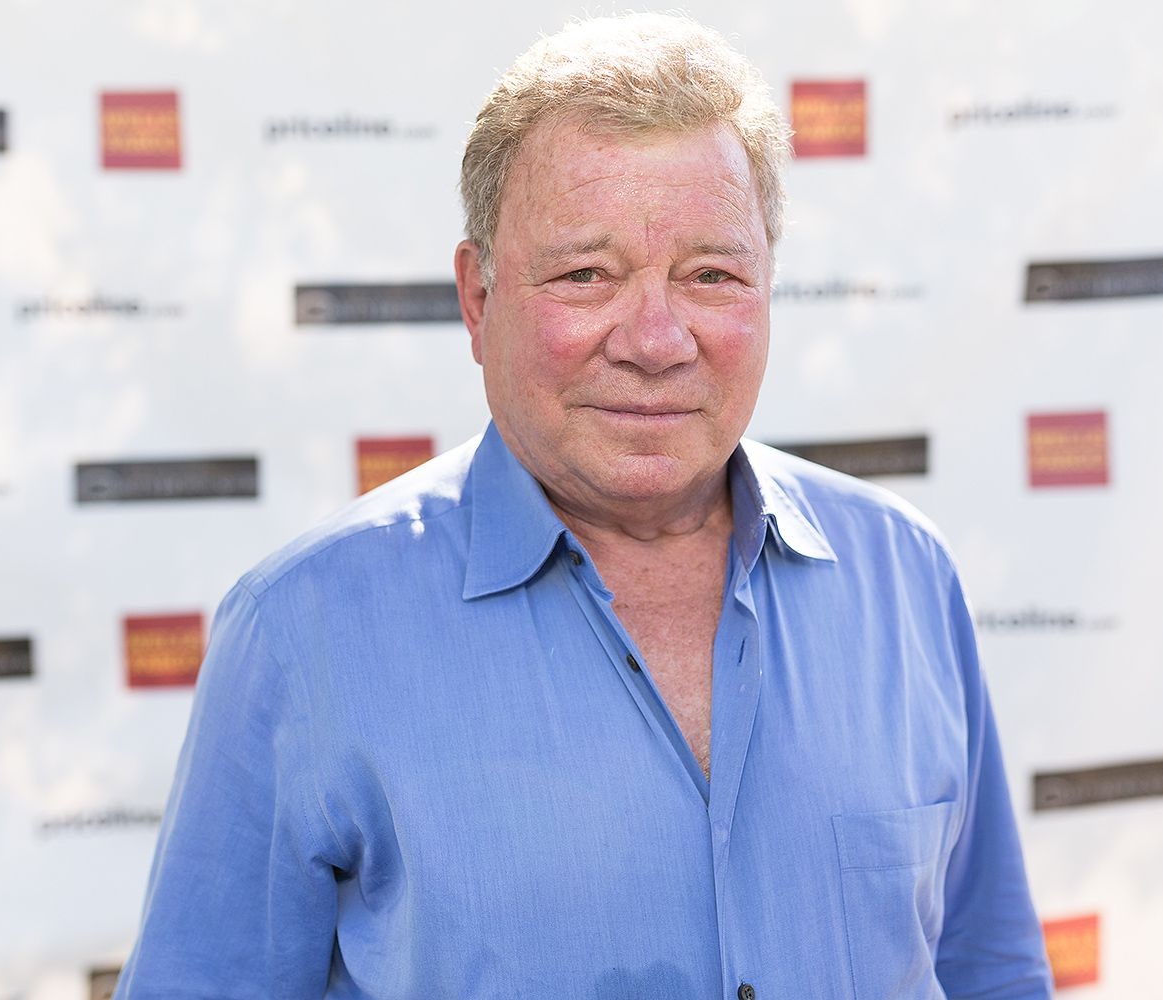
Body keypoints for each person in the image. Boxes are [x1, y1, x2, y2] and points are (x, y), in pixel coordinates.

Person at [115, 13, 1052, 999]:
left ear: (769, 287)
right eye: (586, 275)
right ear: (478, 299)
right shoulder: (302, 634)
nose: (655, 340)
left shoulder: (903, 575)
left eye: (711, 275)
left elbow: (988, 973)